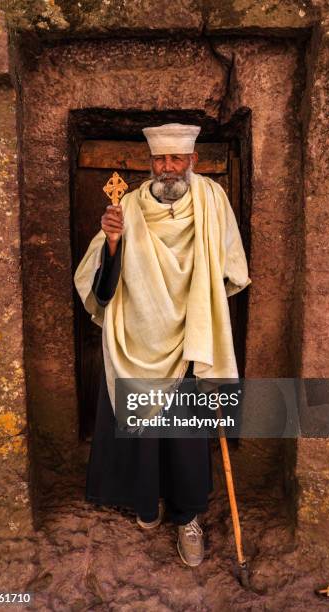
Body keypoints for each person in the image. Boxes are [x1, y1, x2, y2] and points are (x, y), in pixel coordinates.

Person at [74, 123, 251, 567]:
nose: (168, 168)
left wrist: (205, 299)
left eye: (176, 160)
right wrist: (113, 242)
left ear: (192, 162)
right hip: (139, 330)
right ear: (149, 163)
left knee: (185, 433)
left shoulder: (212, 200)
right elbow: (98, 285)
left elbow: (231, 263)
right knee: (143, 429)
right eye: (160, 160)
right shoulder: (128, 206)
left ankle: (187, 517)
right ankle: (145, 501)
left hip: (191, 331)